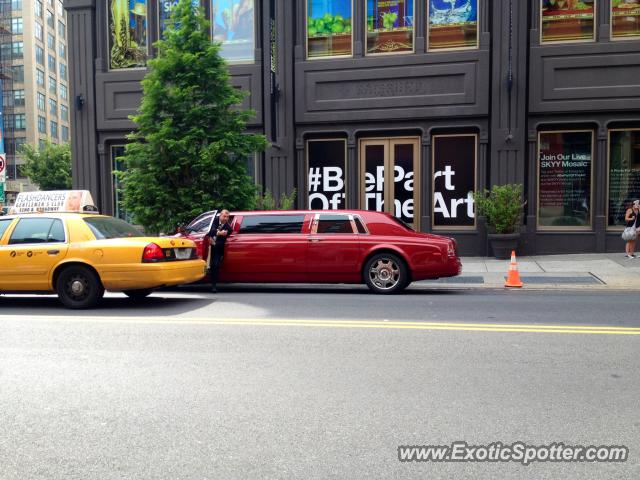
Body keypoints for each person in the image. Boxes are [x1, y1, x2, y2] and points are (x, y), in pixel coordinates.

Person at [206, 209, 233, 292]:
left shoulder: (228, 228)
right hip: (206, 246)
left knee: (215, 265)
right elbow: (211, 230)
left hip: (217, 249)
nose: (225, 218)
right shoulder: (214, 220)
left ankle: (213, 286)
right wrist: (219, 233)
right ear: (220, 215)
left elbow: (222, 242)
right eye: (224, 216)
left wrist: (214, 243)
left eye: (227, 217)